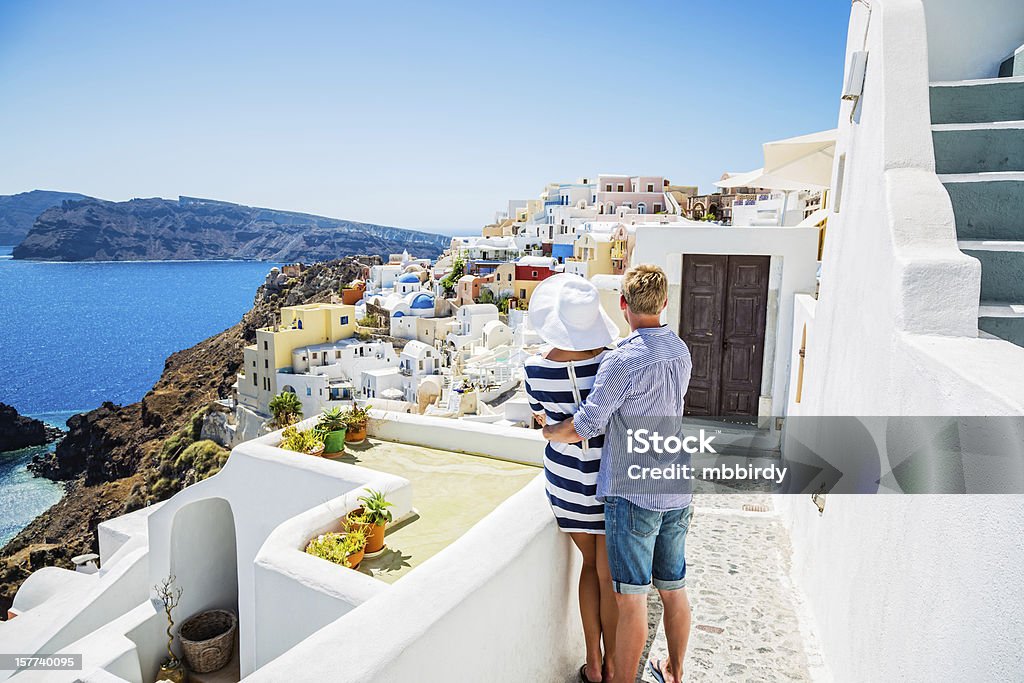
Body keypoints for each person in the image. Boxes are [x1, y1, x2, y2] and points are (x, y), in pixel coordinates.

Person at [544, 264, 693, 683]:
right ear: (665, 303)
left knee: (631, 601)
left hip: (634, 493)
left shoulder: (621, 360)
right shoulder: (680, 351)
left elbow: (585, 425)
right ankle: (675, 670)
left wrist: (548, 430)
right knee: (674, 589)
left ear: (624, 305)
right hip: (677, 488)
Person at [524, 273, 621, 683]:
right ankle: (616, 664)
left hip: (566, 483)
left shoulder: (533, 368)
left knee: (589, 567)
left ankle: (593, 665)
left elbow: (540, 419)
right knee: (609, 576)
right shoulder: (613, 362)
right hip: (610, 479)